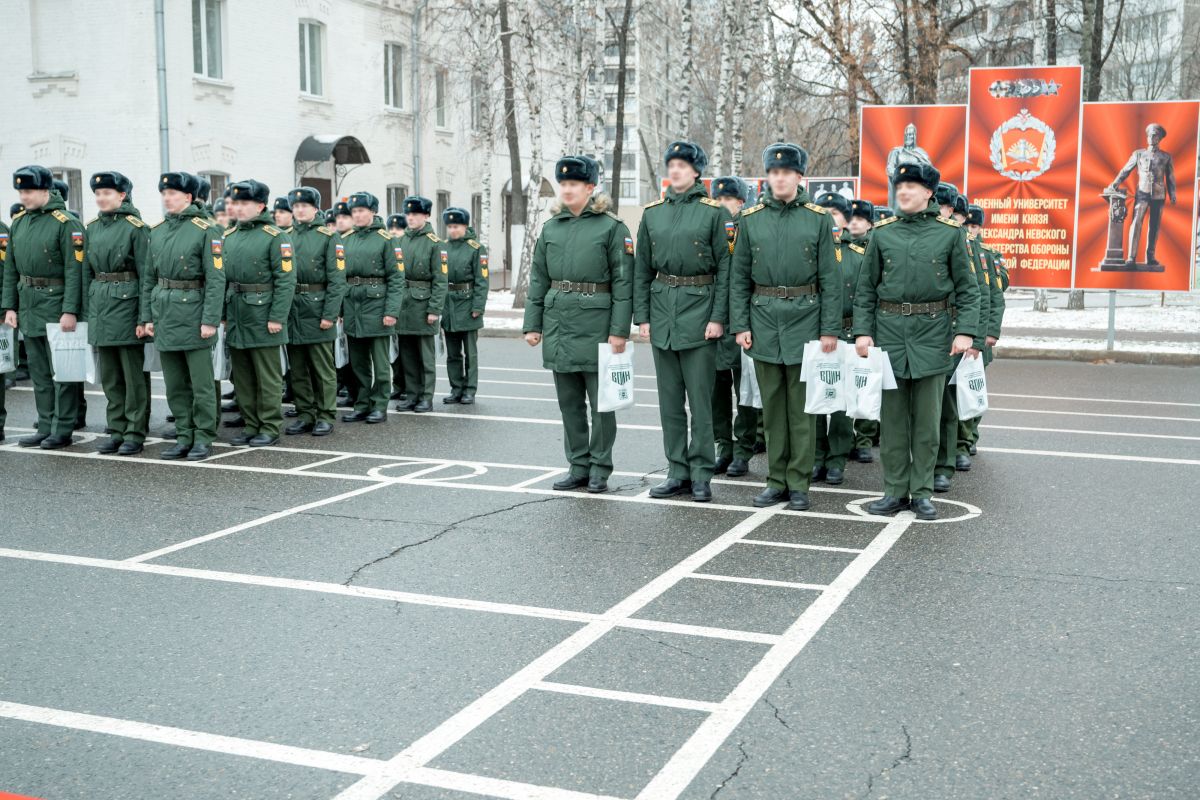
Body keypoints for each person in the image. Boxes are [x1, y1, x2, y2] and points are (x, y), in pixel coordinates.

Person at [852, 162, 981, 520]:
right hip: (890, 334)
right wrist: (862, 332)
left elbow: (968, 290)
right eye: (899, 186)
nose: (903, 192)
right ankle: (894, 490)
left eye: (911, 186)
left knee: (927, 422)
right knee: (893, 422)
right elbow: (866, 289)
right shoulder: (883, 233)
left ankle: (922, 492)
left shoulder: (949, 234)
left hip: (933, 333)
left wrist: (965, 331)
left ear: (928, 193)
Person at [730, 143, 841, 512]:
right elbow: (739, 278)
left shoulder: (818, 219)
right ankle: (776, 480)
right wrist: (740, 325)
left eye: (786, 173)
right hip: (763, 319)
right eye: (774, 173)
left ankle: (798, 483)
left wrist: (829, 330)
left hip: (805, 321)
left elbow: (830, 279)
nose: (779, 178)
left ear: (799, 177)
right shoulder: (751, 219)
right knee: (773, 410)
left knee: (802, 411)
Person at [523, 155, 633, 494]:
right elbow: (538, 279)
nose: (567, 189)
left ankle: (600, 467)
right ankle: (578, 466)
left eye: (574, 184)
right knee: (569, 404)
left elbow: (623, 283)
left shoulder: (612, 227)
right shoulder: (551, 228)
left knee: (602, 405)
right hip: (560, 324)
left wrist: (619, 331)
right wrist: (532, 324)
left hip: (598, 324)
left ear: (590, 187)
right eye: (564, 184)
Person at [634, 140, 731, 502]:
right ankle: (677, 472)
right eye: (671, 165)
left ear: (696, 171)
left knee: (701, 402)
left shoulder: (714, 213)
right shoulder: (653, 213)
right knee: (670, 402)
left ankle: (701, 473)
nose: (675, 170)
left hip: (700, 311)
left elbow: (726, 269)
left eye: (682, 165)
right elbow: (642, 268)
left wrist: (718, 317)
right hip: (663, 312)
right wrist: (643, 316)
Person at [142, 171, 226, 460]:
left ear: (188, 197)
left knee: (201, 384)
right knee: (175, 384)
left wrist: (210, 320)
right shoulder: (157, 231)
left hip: (193, 313)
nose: (167, 199)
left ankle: (203, 436)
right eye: (164, 194)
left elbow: (216, 279)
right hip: (164, 313)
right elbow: (149, 278)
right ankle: (184, 434)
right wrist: (147, 317)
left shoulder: (206, 230)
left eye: (173, 194)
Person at [2, 165, 86, 449]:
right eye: (21, 192)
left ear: (45, 190)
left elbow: (75, 270)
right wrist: (9, 307)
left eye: (29, 191)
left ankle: (63, 428)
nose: (24, 197)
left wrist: (70, 310)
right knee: (39, 372)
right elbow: (11, 270)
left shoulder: (66, 223)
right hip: (28, 304)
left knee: (62, 372)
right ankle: (46, 424)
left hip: (56, 304)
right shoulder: (19, 223)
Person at [82, 171, 152, 455]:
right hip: (101, 306)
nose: (101, 198)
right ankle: (117, 428)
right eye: (98, 194)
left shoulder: (136, 228)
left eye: (107, 193)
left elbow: (147, 276)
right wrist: (87, 313)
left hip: (127, 306)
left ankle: (134, 432)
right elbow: (87, 273)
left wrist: (144, 317)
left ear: (122, 195)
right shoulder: (92, 228)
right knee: (110, 376)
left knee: (133, 377)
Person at [932, 184, 989, 492]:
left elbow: (979, 294)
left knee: (948, 402)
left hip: (954, 332)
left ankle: (949, 457)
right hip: (924, 332)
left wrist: (974, 338)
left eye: (942, 207)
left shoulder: (962, 242)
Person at [284, 186, 346, 436]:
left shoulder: (329, 237)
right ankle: (305, 413)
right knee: (297, 368)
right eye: (296, 206)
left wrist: (329, 314)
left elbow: (337, 280)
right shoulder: (285, 236)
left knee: (322, 369)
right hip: (292, 309)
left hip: (317, 306)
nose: (300, 210)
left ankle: (325, 414)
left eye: (305, 206)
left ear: (315, 208)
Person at [708, 175, 758, 478]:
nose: (722, 204)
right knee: (717, 391)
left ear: (740, 202)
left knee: (746, 391)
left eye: (728, 199)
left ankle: (743, 449)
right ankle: (723, 447)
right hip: (715, 320)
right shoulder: (707, 227)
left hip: (743, 321)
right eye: (718, 199)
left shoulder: (748, 228)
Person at [339, 191, 403, 424]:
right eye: (354, 211)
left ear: (373, 212)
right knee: (358, 362)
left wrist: (391, 311)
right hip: (352, 305)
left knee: (380, 362)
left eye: (361, 211)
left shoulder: (387, 240)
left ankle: (379, 405)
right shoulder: (346, 239)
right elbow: (339, 278)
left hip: (377, 305)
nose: (357, 215)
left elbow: (396, 278)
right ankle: (362, 403)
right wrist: (339, 310)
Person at [811, 191, 859, 486]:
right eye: (824, 212)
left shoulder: (858, 255)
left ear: (846, 220)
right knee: (817, 399)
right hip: (815, 333)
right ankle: (817, 456)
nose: (830, 217)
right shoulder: (809, 251)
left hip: (848, 334)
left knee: (843, 402)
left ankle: (837, 459)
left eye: (836, 213)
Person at [394, 195, 447, 412]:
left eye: (415, 214)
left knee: (425, 356)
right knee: (407, 354)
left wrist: (435, 309)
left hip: (424, 304)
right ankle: (412, 395)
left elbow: (441, 280)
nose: (410, 218)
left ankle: (426, 397)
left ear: (426, 216)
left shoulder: (435, 244)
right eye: (408, 214)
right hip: (404, 303)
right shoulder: (400, 241)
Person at [1109, 123, 1177, 267]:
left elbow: (1170, 177)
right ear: (1147, 137)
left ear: (1159, 138)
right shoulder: (1139, 154)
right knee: (1136, 223)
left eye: (1155, 135)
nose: (1151, 138)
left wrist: (1173, 194)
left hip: (1158, 195)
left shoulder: (1165, 157)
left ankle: (1150, 256)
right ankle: (1131, 257)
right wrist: (1115, 183)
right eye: (1149, 135)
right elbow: (1125, 170)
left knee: (1154, 226)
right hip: (1142, 193)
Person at [439, 207, 488, 405]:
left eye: (456, 226)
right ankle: (456, 388)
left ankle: (470, 390)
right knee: (452, 354)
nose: (453, 230)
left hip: (467, 304)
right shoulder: (442, 247)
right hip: (448, 304)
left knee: (470, 353)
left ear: (465, 226)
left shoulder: (475, 248)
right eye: (450, 226)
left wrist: (478, 307)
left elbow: (482, 281)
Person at [846, 199, 878, 463]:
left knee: (866, 384)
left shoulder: (874, 246)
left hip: (869, 324)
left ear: (869, 224)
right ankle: (846, 437)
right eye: (852, 218)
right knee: (846, 385)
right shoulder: (838, 246)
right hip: (845, 325)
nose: (855, 222)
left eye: (860, 219)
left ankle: (865, 438)